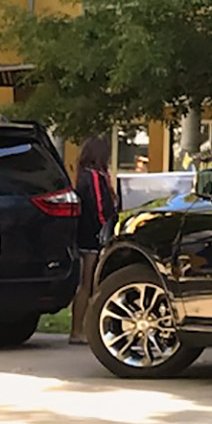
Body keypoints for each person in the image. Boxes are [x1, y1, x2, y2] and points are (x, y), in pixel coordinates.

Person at [67, 135, 118, 345]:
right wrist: (108, 228)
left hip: (86, 235)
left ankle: (78, 329)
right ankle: (79, 330)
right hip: (94, 237)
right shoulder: (96, 178)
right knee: (89, 283)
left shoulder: (83, 176)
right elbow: (100, 207)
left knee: (86, 284)